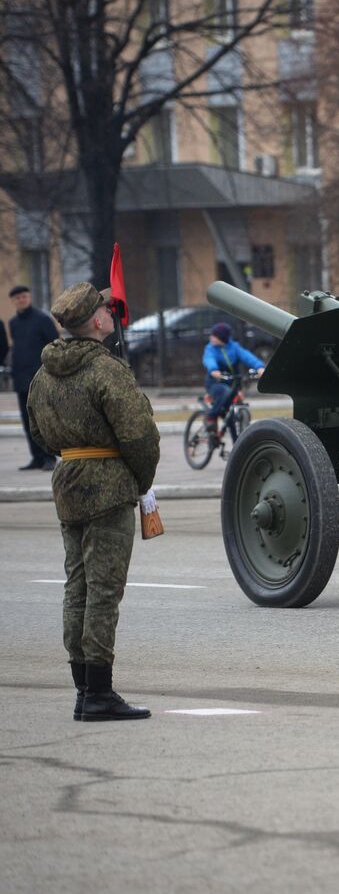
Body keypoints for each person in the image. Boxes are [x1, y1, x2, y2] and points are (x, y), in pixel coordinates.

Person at [25, 282, 161, 721]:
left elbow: (41, 435)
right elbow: (139, 435)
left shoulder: (43, 375)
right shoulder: (107, 370)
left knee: (77, 587)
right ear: (99, 321)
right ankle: (100, 693)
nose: (109, 313)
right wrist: (142, 479)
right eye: (105, 309)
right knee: (104, 590)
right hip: (108, 486)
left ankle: (84, 690)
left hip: (68, 482)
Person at [9, 284, 61, 470]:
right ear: (13, 301)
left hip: (40, 378)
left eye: (24, 296)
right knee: (27, 420)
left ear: (29, 297)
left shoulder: (42, 319)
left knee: (43, 420)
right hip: (21, 378)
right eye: (17, 298)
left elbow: (55, 345)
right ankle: (36, 457)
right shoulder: (13, 323)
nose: (21, 300)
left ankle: (49, 457)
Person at [202, 322, 264, 429]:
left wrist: (259, 367)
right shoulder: (210, 349)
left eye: (214, 335)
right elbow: (209, 359)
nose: (211, 337)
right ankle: (211, 417)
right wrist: (214, 370)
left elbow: (247, 357)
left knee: (231, 415)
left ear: (221, 338)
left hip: (232, 383)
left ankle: (237, 443)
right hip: (215, 383)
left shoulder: (234, 347)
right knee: (225, 391)